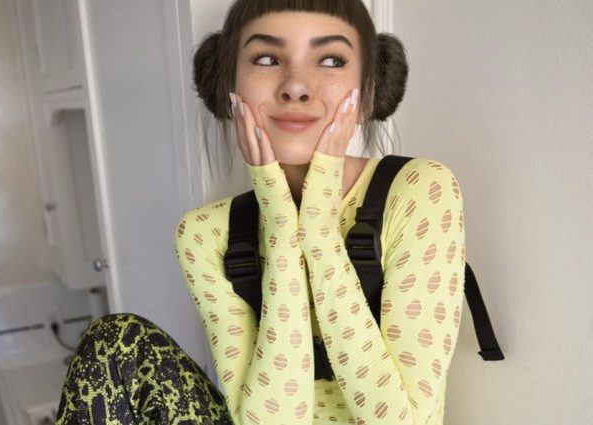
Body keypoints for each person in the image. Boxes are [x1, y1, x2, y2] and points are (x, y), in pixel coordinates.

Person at [55, 1, 466, 424]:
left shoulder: (418, 191)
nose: (296, 87)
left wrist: (319, 230)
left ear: (369, 93)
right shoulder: (205, 233)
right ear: (227, 87)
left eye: (331, 60)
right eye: (267, 59)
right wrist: (282, 225)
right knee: (113, 341)